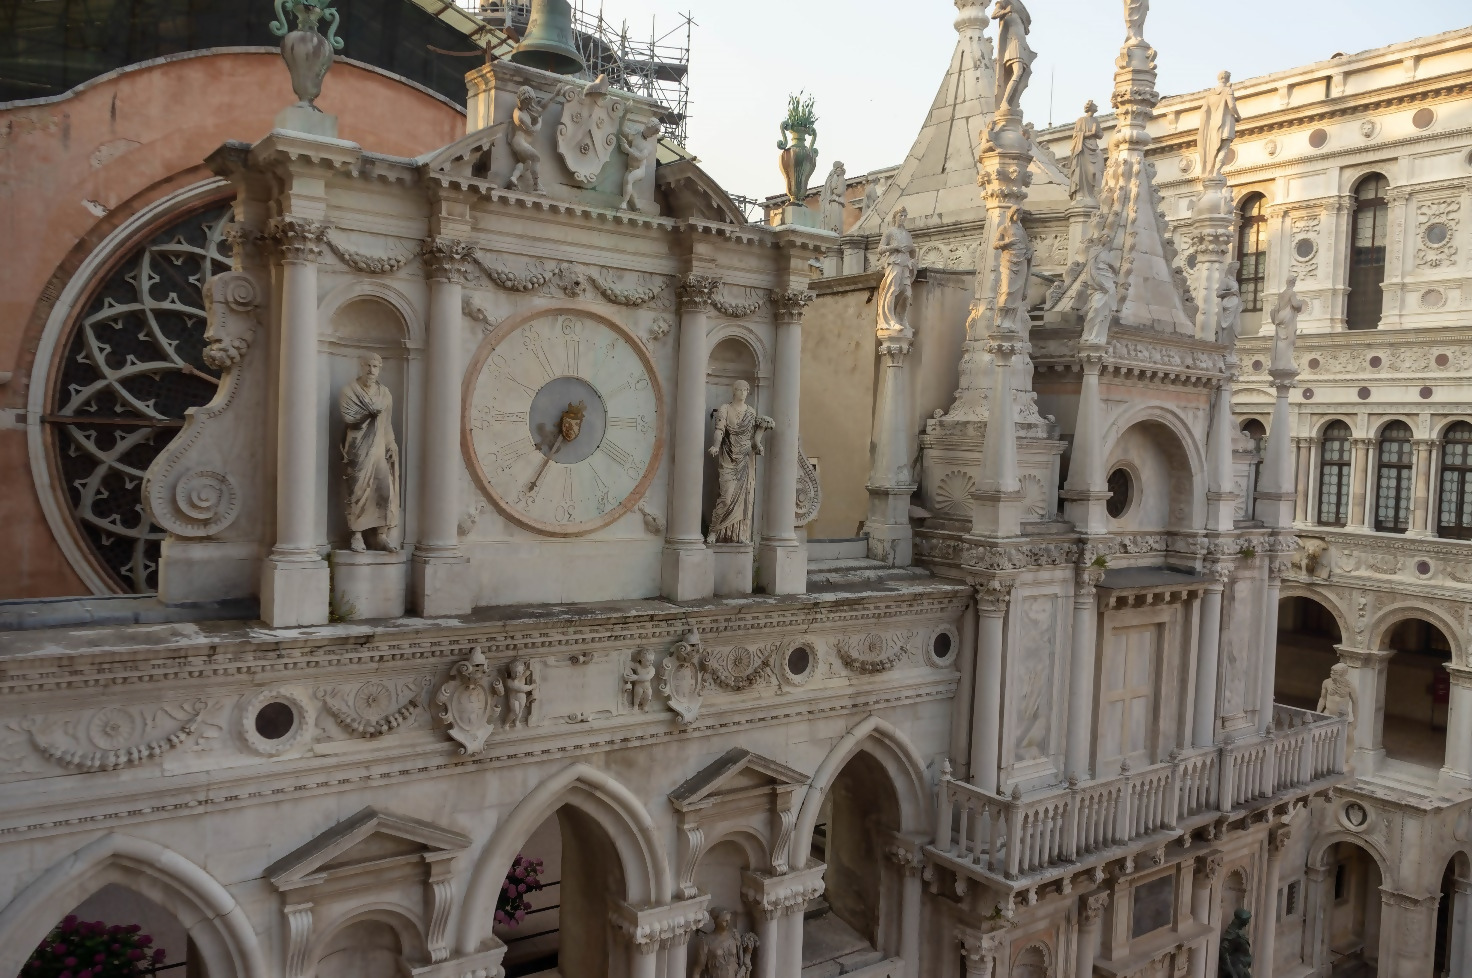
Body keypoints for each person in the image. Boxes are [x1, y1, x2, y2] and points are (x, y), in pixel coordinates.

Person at [339, 353, 400, 553]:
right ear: (361, 366)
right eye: (368, 366)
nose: (371, 370)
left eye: (375, 366)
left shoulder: (385, 393)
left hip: (379, 448)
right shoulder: (350, 391)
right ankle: (356, 535)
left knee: (385, 490)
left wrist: (391, 444)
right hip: (358, 449)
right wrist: (367, 414)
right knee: (358, 492)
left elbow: (386, 424)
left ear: (380, 368)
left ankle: (380, 535)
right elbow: (349, 420)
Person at [706, 382, 769, 545]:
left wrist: (759, 445)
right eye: (740, 390)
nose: (743, 393)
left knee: (744, 499)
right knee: (726, 498)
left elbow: (753, 439)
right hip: (728, 457)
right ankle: (713, 530)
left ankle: (740, 533)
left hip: (745, 459)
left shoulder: (751, 412)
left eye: (746, 390)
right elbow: (719, 430)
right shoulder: (725, 408)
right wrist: (716, 445)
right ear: (734, 391)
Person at [876, 207, 918, 335]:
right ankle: (889, 320)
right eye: (901, 216)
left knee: (907, 293)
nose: (903, 218)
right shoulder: (890, 232)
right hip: (893, 262)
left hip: (905, 264)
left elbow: (913, 253)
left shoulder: (907, 234)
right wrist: (894, 247)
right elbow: (880, 249)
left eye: (905, 216)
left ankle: (901, 319)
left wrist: (911, 249)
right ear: (895, 217)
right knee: (892, 289)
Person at [990, 0, 1036, 112]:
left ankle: (1012, 101)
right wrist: (1006, 10)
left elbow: (1027, 29)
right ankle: (1004, 101)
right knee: (1018, 71)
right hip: (1012, 42)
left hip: (1022, 43)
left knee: (1022, 73)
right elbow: (994, 15)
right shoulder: (1005, 1)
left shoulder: (1020, 7)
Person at [1199, 71, 1241, 179]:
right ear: (1228, 78)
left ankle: (1210, 171)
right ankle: (1216, 173)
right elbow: (1232, 106)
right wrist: (1238, 116)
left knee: (1213, 149)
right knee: (1224, 148)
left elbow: (1204, 111)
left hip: (1212, 125)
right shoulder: (1228, 90)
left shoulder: (1209, 95)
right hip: (1226, 123)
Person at [1068, 101, 1104, 204]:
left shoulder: (1095, 120)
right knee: (1083, 171)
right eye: (1095, 105)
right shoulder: (1081, 120)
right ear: (1091, 108)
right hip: (1083, 148)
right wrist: (1091, 133)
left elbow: (1100, 134)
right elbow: (1077, 134)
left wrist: (1097, 133)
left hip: (1093, 147)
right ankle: (1081, 194)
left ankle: (1092, 194)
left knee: (1094, 172)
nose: (1097, 106)